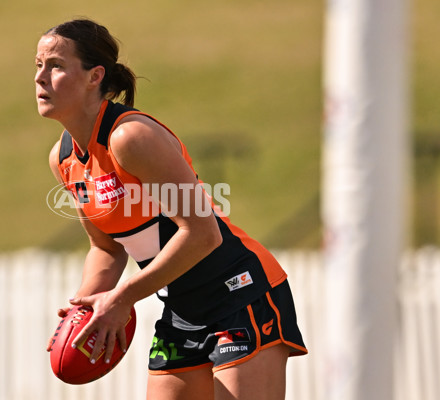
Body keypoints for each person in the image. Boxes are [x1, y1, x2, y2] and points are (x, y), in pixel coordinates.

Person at [39, 19, 307, 400]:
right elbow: (106, 247)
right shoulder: (64, 158)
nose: (41, 78)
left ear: (94, 76)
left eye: (56, 65)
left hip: (240, 293)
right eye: (38, 65)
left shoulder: (130, 138)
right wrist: (88, 311)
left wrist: (123, 297)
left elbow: (202, 234)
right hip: (181, 308)